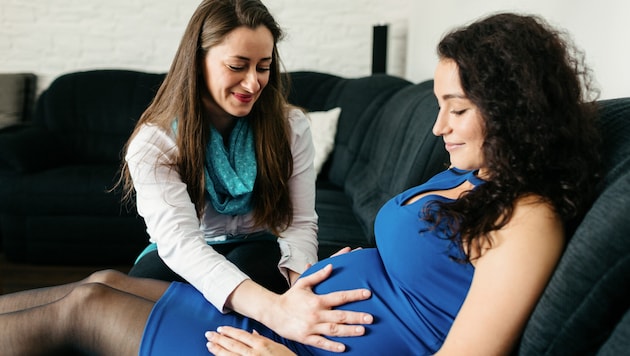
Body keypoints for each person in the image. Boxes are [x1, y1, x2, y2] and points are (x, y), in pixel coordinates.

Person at [0, 11, 601, 356]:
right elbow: (180, 244)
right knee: (102, 281)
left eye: (456, 108)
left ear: (512, 108)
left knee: (84, 308)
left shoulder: (526, 219)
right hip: (293, 315)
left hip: (304, 348)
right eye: (439, 105)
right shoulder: (472, 176)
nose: (439, 125)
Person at [119, 0, 319, 311]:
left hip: (259, 247)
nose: (253, 83)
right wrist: (271, 309)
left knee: (248, 264)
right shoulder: (154, 142)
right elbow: (181, 244)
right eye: (237, 66)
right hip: (184, 253)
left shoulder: (291, 127)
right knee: (122, 299)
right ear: (197, 62)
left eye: (263, 67)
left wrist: (302, 287)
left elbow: (299, 222)